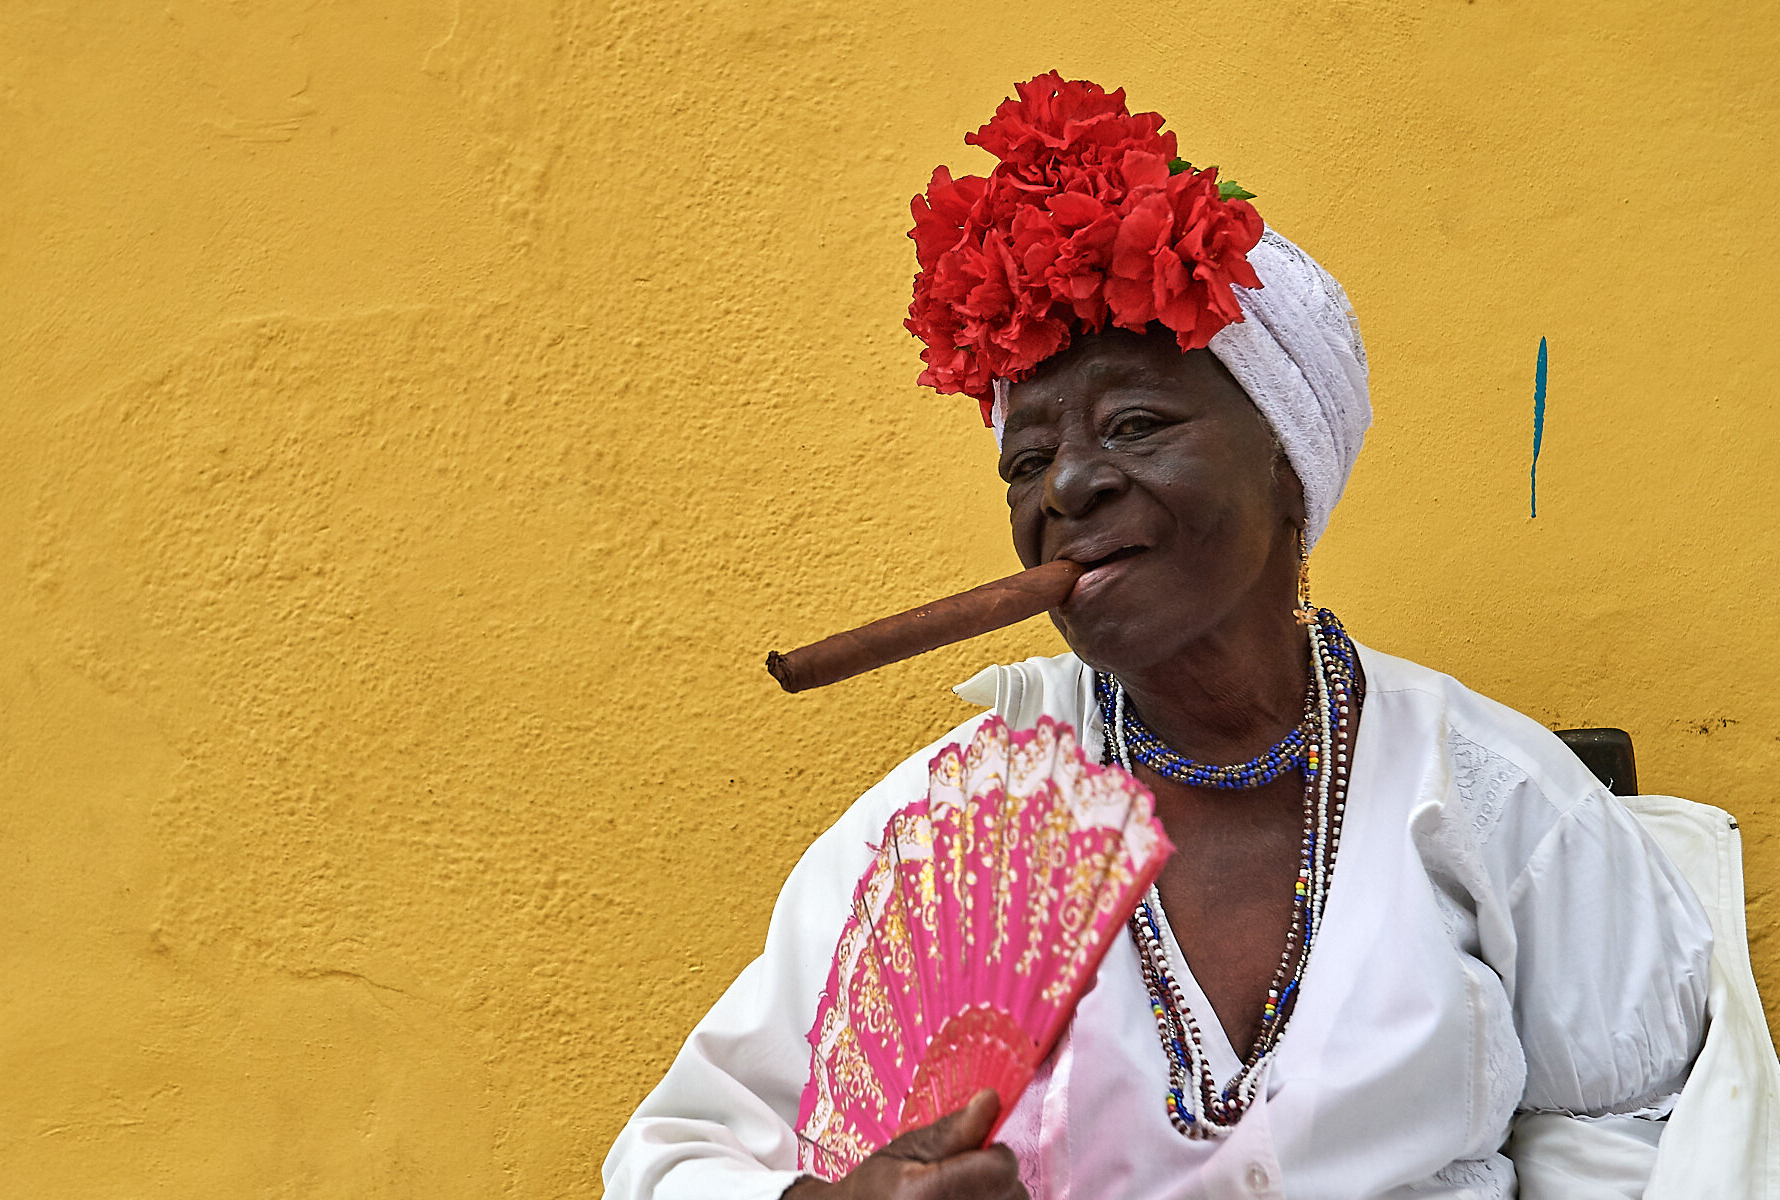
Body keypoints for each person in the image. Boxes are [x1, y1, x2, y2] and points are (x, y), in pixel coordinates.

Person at [602, 73, 1712, 1200]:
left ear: (1288, 461)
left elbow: (1643, 1130)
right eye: (1027, 462)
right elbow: (676, 1157)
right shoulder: (939, 835)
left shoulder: (1493, 798)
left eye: (1135, 424)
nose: (1071, 484)